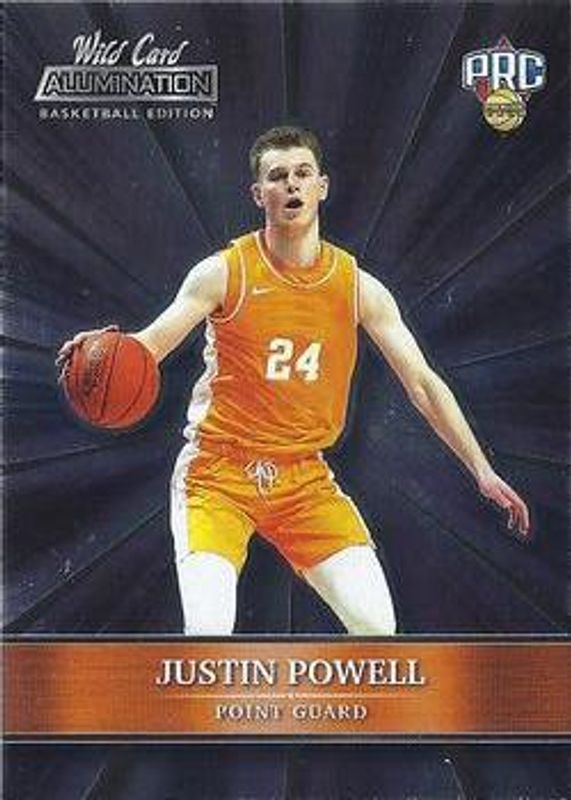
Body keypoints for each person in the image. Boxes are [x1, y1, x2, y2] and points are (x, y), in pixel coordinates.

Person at [57, 126, 530, 636]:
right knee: (208, 635)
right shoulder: (223, 273)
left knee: (378, 630)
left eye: (303, 173)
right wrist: (105, 351)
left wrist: (482, 469)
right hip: (217, 473)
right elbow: (147, 348)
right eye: (277, 176)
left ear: (321, 187)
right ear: (258, 194)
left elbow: (424, 385)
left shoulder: (357, 288)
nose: (291, 184)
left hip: (302, 478)